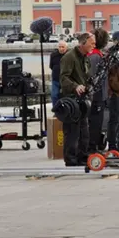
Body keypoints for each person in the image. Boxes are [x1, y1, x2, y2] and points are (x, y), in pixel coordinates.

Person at [59, 33, 95, 166]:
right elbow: (63, 78)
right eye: (91, 43)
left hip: (83, 99)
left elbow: (87, 75)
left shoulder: (86, 58)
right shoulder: (69, 57)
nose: (93, 45)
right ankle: (71, 159)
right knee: (72, 131)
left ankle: (83, 156)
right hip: (71, 99)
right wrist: (76, 86)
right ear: (83, 43)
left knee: (84, 130)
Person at [86, 28, 110, 152]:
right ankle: (92, 147)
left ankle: (93, 145)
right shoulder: (96, 56)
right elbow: (94, 76)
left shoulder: (94, 55)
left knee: (96, 121)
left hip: (97, 93)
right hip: (97, 94)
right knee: (96, 121)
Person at [49, 41, 68, 106]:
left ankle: (67, 110)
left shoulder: (69, 55)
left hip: (66, 80)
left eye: (63, 47)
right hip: (56, 79)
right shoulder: (53, 55)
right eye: (60, 47)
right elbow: (51, 66)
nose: (61, 48)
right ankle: (56, 110)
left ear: (66, 48)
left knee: (66, 96)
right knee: (54, 95)